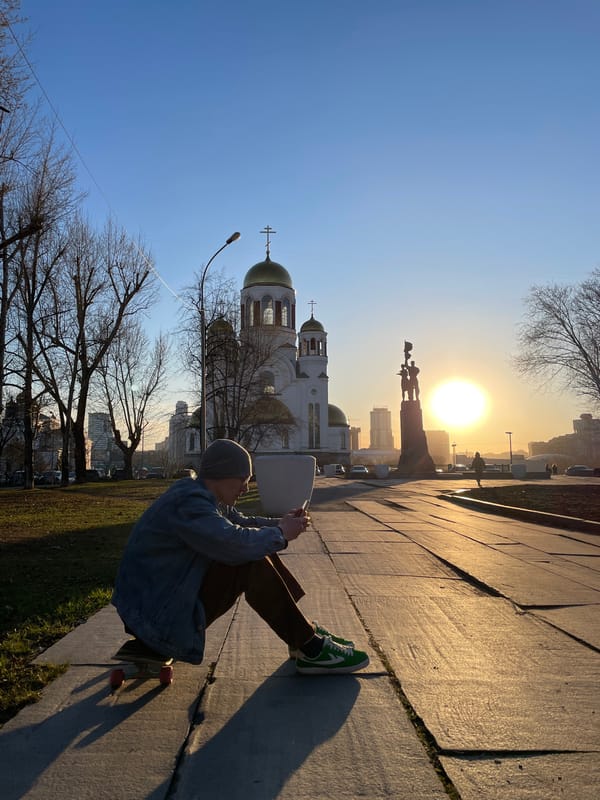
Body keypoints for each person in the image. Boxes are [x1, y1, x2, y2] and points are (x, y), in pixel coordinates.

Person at [112, 439, 369, 675]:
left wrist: (281, 523)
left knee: (255, 547)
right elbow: (233, 542)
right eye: (243, 479)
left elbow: (241, 523)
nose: (246, 488)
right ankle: (309, 645)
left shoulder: (203, 497)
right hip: (155, 620)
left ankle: (301, 633)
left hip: (158, 608)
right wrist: (281, 533)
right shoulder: (189, 503)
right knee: (249, 559)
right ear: (223, 476)